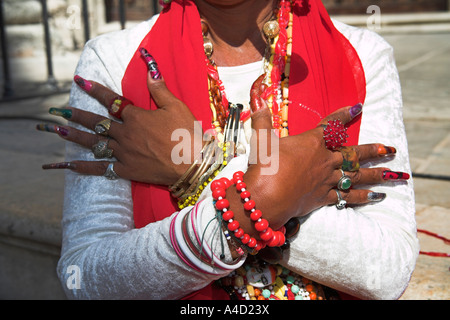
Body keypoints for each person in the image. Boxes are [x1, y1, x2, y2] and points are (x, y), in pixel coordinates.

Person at [38, 0, 418, 300]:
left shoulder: (361, 54)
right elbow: (82, 279)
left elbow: (388, 272)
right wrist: (268, 199)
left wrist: (202, 173)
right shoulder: (114, 60)